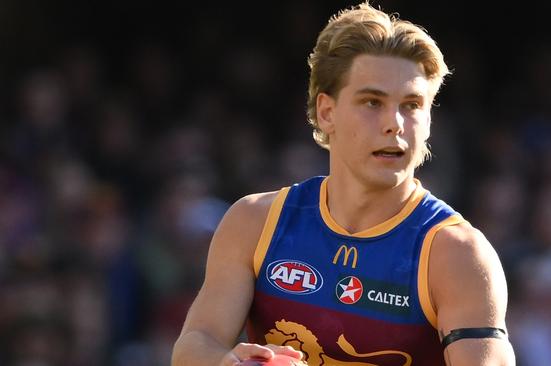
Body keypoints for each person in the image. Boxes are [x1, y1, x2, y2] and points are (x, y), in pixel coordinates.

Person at [172, 2, 515, 365]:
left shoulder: (457, 255)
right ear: (326, 111)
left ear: (429, 121)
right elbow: (195, 343)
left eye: (412, 105)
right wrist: (228, 364)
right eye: (372, 101)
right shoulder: (255, 223)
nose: (395, 124)